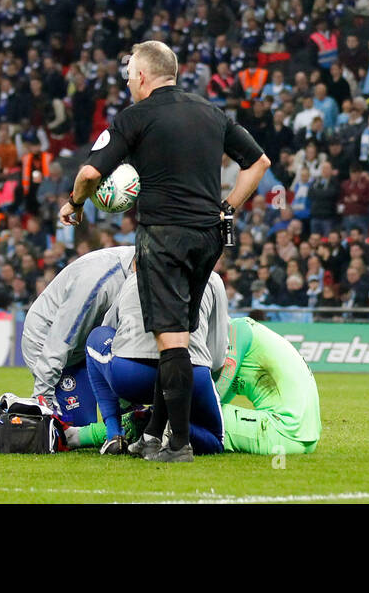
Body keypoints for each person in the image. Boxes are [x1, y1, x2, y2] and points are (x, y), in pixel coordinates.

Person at [59, 41, 270, 463]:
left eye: (130, 75)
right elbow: (259, 163)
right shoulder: (211, 113)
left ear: (141, 76)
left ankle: (179, 444)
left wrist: (75, 203)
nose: (129, 83)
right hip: (208, 237)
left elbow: (88, 173)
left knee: (170, 340)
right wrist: (228, 208)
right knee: (176, 336)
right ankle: (153, 434)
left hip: (164, 238)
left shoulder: (135, 118)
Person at [66, 268, 229, 455]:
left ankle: (114, 434)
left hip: (133, 375)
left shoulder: (135, 278)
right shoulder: (212, 279)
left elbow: (109, 328)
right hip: (192, 373)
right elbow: (217, 355)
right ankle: (170, 426)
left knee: (96, 336)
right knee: (216, 440)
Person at [21, 244, 134, 425]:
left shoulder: (136, 269)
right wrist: (44, 400)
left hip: (86, 346)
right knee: (73, 426)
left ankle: (130, 410)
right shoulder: (97, 283)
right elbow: (60, 340)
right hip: (45, 341)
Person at [213, 315, 321, 455]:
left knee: (198, 419)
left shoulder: (237, 329)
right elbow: (222, 395)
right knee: (211, 413)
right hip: (306, 438)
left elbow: (228, 371)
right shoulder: (248, 334)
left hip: (281, 432)